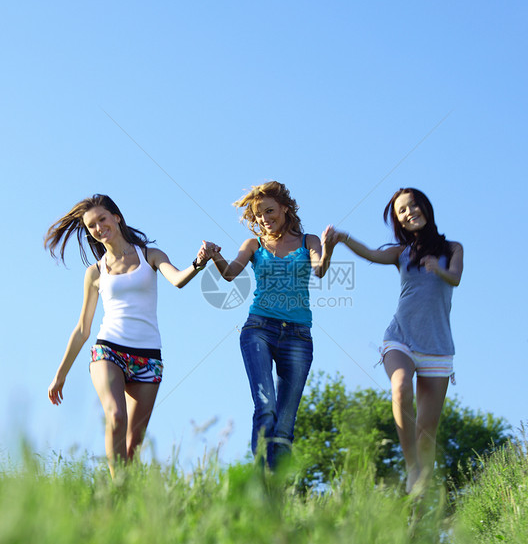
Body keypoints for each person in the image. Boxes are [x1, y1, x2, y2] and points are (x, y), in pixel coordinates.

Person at [44, 194, 211, 477]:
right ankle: (116, 491)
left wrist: (198, 263)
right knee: (116, 417)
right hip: (108, 350)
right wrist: (60, 375)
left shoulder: (150, 256)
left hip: (148, 357)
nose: (98, 228)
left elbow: (178, 280)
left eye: (102, 219)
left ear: (116, 217)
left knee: (133, 444)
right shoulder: (95, 272)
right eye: (91, 226)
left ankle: (124, 494)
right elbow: (83, 328)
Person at [327, 188, 463, 494]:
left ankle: (420, 499)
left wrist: (438, 269)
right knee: (400, 387)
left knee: (426, 432)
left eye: (413, 205)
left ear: (425, 208)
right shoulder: (401, 253)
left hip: (438, 347)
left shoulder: (453, 248)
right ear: (398, 221)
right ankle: (411, 466)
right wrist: (343, 238)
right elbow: (372, 254)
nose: (409, 212)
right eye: (402, 210)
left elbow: (456, 277)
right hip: (400, 338)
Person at [206, 181, 336, 469]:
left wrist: (329, 247)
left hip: (298, 336)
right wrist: (214, 256)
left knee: (285, 424)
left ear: (285, 209)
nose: (264, 218)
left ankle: (275, 494)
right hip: (259, 330)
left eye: (269, 210)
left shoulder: (308, 241)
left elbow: (320, 269)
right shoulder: (254, 245)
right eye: (258, 214)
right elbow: (229, 273)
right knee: (265, 407)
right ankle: (261, 476)